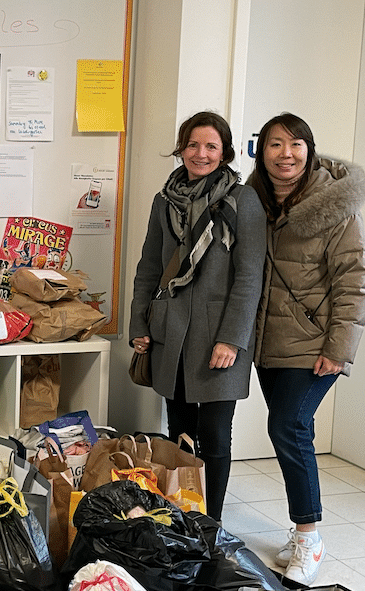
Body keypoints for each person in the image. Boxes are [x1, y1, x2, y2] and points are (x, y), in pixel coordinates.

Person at [247, 113, 365, 584]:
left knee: (289, 426)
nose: (286, 153)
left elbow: (355, 281)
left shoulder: (335, 206)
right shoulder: (254, 200)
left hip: (316, 343)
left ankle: (309, 535)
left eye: (296, 144)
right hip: (268, 342)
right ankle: (301, 526)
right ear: (261, 151)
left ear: (310, 149)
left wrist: (339, 348)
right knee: (287, 430)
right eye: (276, 144)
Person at [129, 111, 265, 522]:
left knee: (215, 436)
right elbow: (149, 268)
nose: (200, 154)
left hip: (219, 337)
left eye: (210, 146)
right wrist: (140, 325)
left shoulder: (243, 201)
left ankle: (213, 522)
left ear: (224, 153)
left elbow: (250, 277)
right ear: (181, 148)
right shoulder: (163, 200)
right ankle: (184, 513)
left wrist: (232, 339)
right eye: (192, 145)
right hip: (171, 332)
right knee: (180, 434)